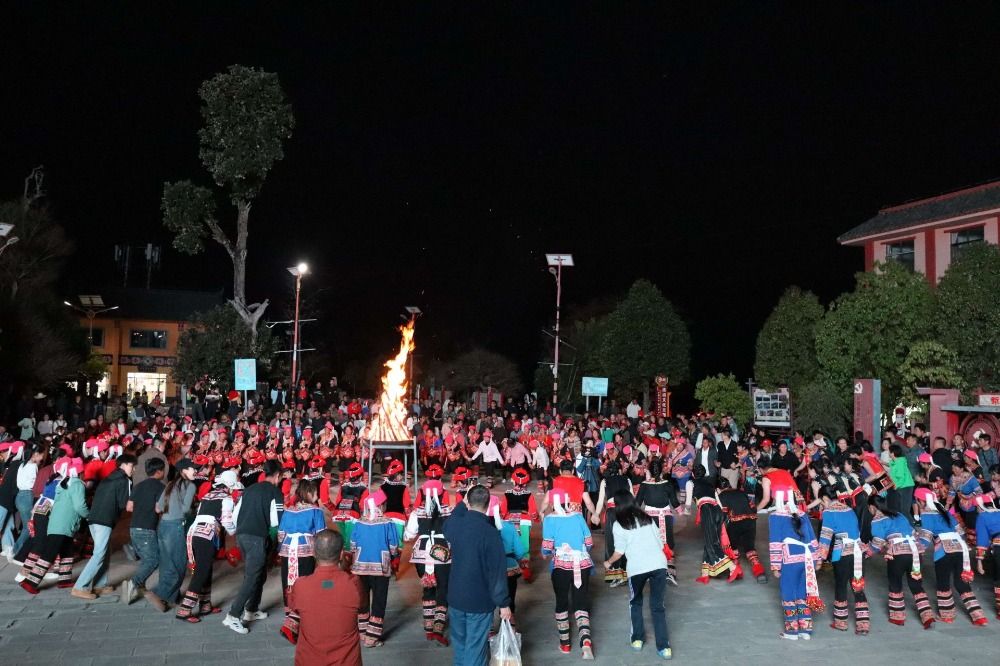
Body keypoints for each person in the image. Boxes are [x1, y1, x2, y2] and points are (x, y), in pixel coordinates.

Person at [444, 484, 512, 665]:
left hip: (456, 598)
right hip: (480, 602)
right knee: (475, 649)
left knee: (460, 647)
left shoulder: (456, 526)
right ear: (488, 505)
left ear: (468, 501)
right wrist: (503, 603)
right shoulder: (491, 533)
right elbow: (497, 573)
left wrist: (462, 503)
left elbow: (451, 520)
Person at [602, 490, 672, 660]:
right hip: (658, 565)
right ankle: (664, 648)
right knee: (658, 607)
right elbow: (661, 541)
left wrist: (608, 562)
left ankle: (638, 639)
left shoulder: (619, 525)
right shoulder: (647, 518)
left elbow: (619, 552)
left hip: (637, 568)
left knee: (635, 602)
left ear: (617, 505)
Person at [286, 530, 363, 666]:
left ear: (314, 553)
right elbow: (363, 606)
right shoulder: (354, 584)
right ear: (341, 554)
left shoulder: (300, 585)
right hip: (346, 661)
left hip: (309, 661)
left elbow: (292, 605)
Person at [224, 459, 284, 634]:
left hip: (242, 536)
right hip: (257, 538)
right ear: (278, 475)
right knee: (252, 577)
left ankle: (251, 609)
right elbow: (276, 521)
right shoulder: (275, 492)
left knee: (259, 574)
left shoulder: (249, 490)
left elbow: (235, 515)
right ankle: (233, 615)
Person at [913, 487, 987, 625]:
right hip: (960, 548)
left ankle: (947, 615)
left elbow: (925, 539)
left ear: (920, 501)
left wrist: (914, 549)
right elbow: (961, 531)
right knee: (961, 582)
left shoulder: (926, 514)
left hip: (943, 551)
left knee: (943, 583)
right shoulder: (944, 511)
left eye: (916, 501)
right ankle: (979, 616)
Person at [175, 469, 238, 623]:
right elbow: (227, 522)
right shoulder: (227, 499)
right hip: (207, 535)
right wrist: (234, 531)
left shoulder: (207, 496)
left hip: (195, 533)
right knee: (201, 571)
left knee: (206, 568)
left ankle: (205, 605)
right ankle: (185, 609)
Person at [18, 458, 87, 594]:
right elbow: (79, 505)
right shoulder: (76, 484)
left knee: (67, 550)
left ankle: (64, 580)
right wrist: (88, 515)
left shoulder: (62, 482)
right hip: (61, 524)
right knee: (49, 552)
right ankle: (30, 582)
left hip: (57, 522)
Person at [541, 488, 595, 659]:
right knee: (581, 602)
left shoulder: (549, 519)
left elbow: (547, 547)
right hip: (582, 564)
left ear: (552, 503)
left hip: (561, 567)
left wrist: (546, 553)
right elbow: (589, 543)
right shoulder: (578, 516)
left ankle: (565, 644)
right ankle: (586, 642)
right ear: (567, 501)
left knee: (562, 602)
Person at [73, 453, 136, 599]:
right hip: (105, 520)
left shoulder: (108, 478)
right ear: (124, 465)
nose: (133, 469)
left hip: (93, 518)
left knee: (105, 552)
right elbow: (124, 504)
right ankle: (80, 587)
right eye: (132, 466)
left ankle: (100, 585)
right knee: (99, 553)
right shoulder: (124, 480)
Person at [867, 494, 935, 629]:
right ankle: (927, 616)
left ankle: (898, 617)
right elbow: (913, 532)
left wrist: (867, 552)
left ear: (872, 507)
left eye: (868, 507)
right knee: (916, 585)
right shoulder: (899, 514)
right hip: (915, 553)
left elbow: (877, 542)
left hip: (898, 555)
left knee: (895, 584)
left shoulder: (877, 519)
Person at [767, 480, 824, 641]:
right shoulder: (802, 514)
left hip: (789, 560)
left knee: (788, 593)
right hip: (808, 558)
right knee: (803, 593)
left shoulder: (775, 517)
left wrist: (775, 566)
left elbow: (775, 542)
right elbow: (812, 538)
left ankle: (792, 631)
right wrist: (818, 559)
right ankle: (805, 630)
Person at [405, 474, 453, 645]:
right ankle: (438, 627)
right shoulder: (449, 511)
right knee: (443, 588)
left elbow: (409, 535)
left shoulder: (416, 512)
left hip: (422, 554)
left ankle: (428, 626)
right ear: (442, 494)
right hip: (442, 552)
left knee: (427, 588)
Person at [349, 488, 401, 648]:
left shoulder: (359, 522)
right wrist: (393, 556)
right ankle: (372, 637)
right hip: (381, 568)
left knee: (362, 599)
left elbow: (352, 544)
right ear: (381, 506)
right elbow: (394, 546)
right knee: (379, 601)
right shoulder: (388, 523)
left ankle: (363, 632)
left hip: (360, 567)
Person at [276, 477, 326, 635]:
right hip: (305, 551)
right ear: (309, 493)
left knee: (289, 583)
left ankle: (289, 616)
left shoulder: (289, 511)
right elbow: (321, 535)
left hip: (287, 550)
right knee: (305, 583)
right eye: (315, 493)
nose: (317, 497)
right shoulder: (316, 511)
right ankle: (300, 620)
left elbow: (281, 534)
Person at [816, 487, 869, 634]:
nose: (822, 505)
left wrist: (819, 560)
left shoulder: (828, 512)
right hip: (858, 552)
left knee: (841, 586)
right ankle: (863, 624)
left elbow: (825, 538)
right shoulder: (848, 509)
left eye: (821, 501)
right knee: (858, 586)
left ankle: (841, 622)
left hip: (842, 554)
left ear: (825, 498)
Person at [149, 457, 198, 611]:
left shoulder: (170, 484)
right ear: (184, 470)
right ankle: (159, 594)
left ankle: (171, 597)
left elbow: (158, 507)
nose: (195, 471)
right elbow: (185, 509)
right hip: (176, 527)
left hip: (163, 525)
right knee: (178, 564)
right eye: (193, 468)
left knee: (167, 563)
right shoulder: (190, 486)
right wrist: (195, 510)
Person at [122, 457, 166, 604]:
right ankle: (133, 583)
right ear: (159, 471)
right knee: (153, 560)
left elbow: (129, 507)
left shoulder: (139, 486)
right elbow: (158, 508)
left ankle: (140, 587)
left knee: (146, 559)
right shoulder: (160, 487)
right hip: (147, 528)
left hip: (133, 527)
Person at [685, 464, 736, 584]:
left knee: (711, 543)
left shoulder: (690, 483)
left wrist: (685, 511)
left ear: (692, 474)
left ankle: (733, 568)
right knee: (711, 540)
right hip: (718, 511)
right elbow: (719, 502)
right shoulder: (710, 484)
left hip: (707, 510)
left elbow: (688, 503)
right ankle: (705, 573)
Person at [635, 459, 680, 584]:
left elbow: (637, 503)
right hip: (665, 517)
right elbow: (674, 502)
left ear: (649, 471)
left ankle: (651, 574)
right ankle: (669, 572)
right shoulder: (667, 484)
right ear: (662, 470)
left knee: (650, 545)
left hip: (649, 518)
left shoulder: (644, 485)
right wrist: (681, 510)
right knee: (668, 544)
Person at [592, 460, 632, 587]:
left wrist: (596, 514)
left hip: (612, 513)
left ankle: (615, 575)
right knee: (626, 541)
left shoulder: (605, 481)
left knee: (611, 542)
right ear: (620, 470)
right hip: (626, 511)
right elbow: (632, 498)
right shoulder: (627, 479)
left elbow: (600, 502)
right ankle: (626, 574)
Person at [974, 495, 1000, 618]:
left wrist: (979, 561)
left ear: (980, 507)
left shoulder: (982, 516)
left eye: (976, 508)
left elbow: (982, 540)